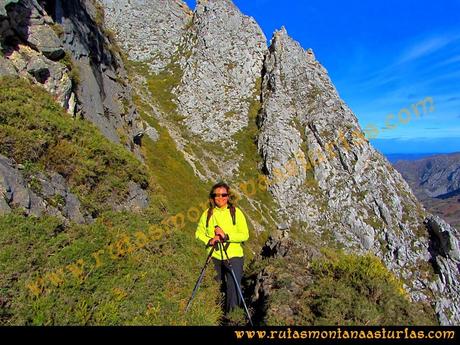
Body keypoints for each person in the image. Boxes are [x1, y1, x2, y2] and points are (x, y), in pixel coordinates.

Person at [195, 182, 249, 313]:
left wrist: (226, 236)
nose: (220, 198)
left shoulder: (236, 213)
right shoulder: (207, 214)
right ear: (212, 197)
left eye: (224, 194)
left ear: (228, 196)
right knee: (213, 287)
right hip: (213, 256)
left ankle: (232, 317)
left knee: (233, 288)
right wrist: (210, 240)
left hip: (234, 255)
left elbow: (245, 235)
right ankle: (212, 315)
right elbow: (198, 234)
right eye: (216, 195)